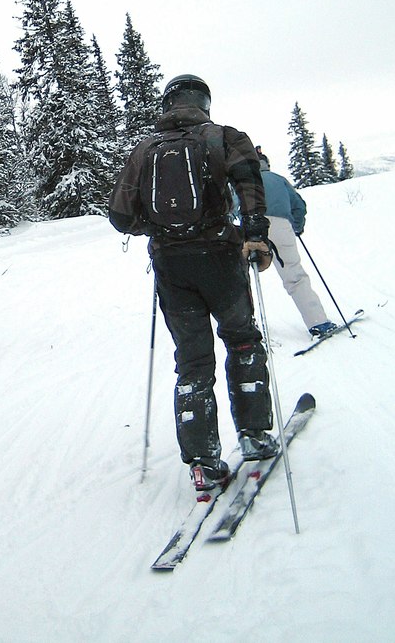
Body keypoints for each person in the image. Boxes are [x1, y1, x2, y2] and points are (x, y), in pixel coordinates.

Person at [109, 74, 279, 491]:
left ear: (168, 105)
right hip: (221, 257)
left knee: (192, 360)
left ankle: (203, 461)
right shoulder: (223, 137)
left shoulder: (144, 150)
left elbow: (119, 216)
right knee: (241, 340)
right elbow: (250, 184)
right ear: (203, 102)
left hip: (171, 265)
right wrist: (255, 234)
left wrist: (159, 229)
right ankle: (255, 436)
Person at [256, 147, 336, 338]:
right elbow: (299, 205)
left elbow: (232, 206)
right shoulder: (278, 179)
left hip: (254, 229)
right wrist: (297, 227)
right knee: (294, 275)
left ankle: (248, 327)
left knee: (246, 277)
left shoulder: (245, 181)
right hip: (281, 227)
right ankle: (319, 322)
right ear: (267, 164)